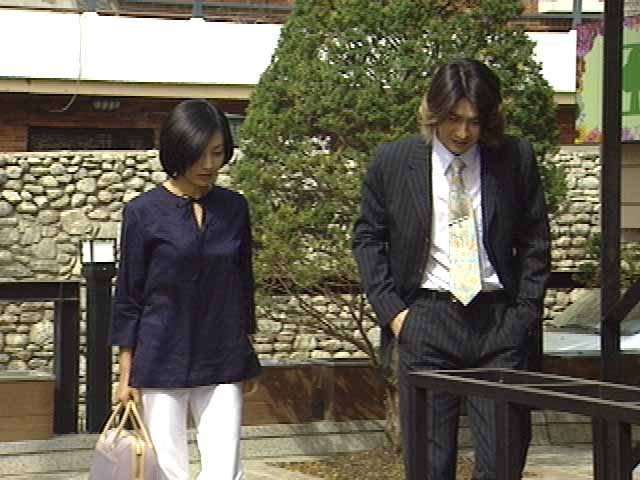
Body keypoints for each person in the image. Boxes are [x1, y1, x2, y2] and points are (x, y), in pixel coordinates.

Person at [352, 59, 550, 479]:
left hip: (500, 323)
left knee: (502, 464)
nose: (463, 133)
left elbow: (535, 240)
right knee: (430, 465)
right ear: (433, 111)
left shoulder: (514, 158)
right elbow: (368, 238)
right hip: (426, 320)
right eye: (453, 119)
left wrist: (525, 315)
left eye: (474, 122)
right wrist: (395, 314)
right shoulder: (393, 161)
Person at [111, 99, 261, 480]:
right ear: (178, 151)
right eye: (199, 154)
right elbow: (129, 295)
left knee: (225, 470)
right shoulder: (142, 213)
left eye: (218, 152)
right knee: (167, 470)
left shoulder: (234, 208)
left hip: (223, 354)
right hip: (161, 356)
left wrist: (247, 350)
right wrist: (126, 371)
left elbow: (243, 282)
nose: (210, 164)